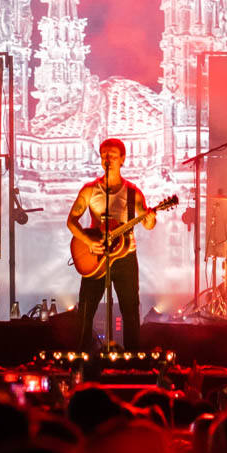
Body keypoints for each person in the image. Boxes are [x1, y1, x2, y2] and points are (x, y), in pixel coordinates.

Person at [67, 138, 155, 350]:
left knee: (130, 310)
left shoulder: (133, 193)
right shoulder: (89, 190)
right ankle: (81, 358)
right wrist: (88, 241)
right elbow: (71, 221)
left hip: (125, 257)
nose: (108, 159)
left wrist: (150, 218)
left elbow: (148, 223)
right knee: (86, 309)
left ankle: (133, 361)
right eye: (105, 155)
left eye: (113, 155)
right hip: (96, 258)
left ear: (122, 159)